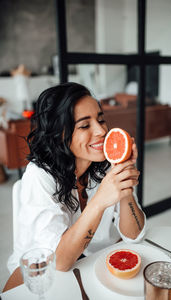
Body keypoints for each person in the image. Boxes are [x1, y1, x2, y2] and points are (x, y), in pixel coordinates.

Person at [3, 82, 146, 291]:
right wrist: (98, 202)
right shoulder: (39, 175)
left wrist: (123, 179)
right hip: (42, 273)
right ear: (59, 134)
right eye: (84, 125)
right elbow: (59, 262)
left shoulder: (105, 164)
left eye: (101, 120)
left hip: (92, 262)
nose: (101, 131)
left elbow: (135, 236)